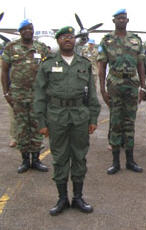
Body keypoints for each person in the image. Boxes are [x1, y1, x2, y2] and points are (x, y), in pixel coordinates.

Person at [33, 26, 100, 216]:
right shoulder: (47, 64)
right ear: (58, 41)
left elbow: (92, 95)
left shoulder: (84, 64)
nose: (68, 39)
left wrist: (93, 117)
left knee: (79, 156)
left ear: (74, 40)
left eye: (71, 36)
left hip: (80, 115)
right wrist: (41, 122)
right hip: (56, 116)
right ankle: (62, 198)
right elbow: (39, 95)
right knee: (60, 157)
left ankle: (78, 197)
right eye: (64, 37)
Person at [98, 9, 145, 174]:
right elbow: (101, 66)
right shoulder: (107, 40)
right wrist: (102, 89)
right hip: (115, 83)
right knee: (116, 122)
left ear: (127, 20)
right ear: (114, 21)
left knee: (130, 122)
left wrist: (143, 87)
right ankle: (116, 162)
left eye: (124, 18)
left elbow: (140, 64)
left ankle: (130, 161)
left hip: (132, 84)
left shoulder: (136, 40)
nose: (121, 20)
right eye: (118, 18)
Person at [1, 19, 49, 173]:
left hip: (37, 95)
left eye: (30, 28)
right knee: (22, 128)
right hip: (18, 95)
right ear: (20, 32)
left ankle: (35, 160)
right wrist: (6, 92)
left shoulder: (40, 48)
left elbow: (48, 67)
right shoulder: (11, 47)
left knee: (36, 127)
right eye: (24, 29)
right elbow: (4, 70)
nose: (28, 31)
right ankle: (24, 160)